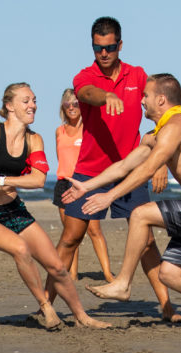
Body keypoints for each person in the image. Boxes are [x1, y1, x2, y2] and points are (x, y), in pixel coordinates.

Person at [62, 74, 181, 329]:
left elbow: (150, 169)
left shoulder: (178, 125)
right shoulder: (159, 132)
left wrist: (109, 197)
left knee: (140, 214)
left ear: (161, 99)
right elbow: (125, 166)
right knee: (170, 274)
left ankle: (123, 283)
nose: (141, 101)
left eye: (146, 96)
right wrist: (87, 186)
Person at [0, 82, 110, 330]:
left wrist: (0, 180)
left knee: (56, 266)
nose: (32, 105)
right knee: (21, 249)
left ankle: (82, 317)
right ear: (9, 106)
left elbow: (38, 179)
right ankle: (46, 308)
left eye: (34, 100)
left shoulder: (34, 140)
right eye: (26, 101)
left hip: (15, 211)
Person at [48, 16, 181, 322]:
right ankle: (46, 303)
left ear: (119, 45)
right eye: (97, 47)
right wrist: (105, 95)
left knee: (146, 240)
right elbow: (85, 94)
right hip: (90, 172)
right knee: (71, 238)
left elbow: (161, 118)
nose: (103, 53)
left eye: (109, 47)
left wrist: (159, 161)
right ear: (92, 46)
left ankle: (167, 307)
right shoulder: (85, 76)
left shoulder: (139, 76)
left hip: (132, 170)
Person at [52, 88, 115, 282]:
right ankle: (72, 273)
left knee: (94, 230)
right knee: (71, 234)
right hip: (64, 184)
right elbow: (62, 159)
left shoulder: (88, 128)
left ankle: (107, 274)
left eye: (75, 103)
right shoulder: (59, 131)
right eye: (67, 104)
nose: (71, 107)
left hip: (85, 183)